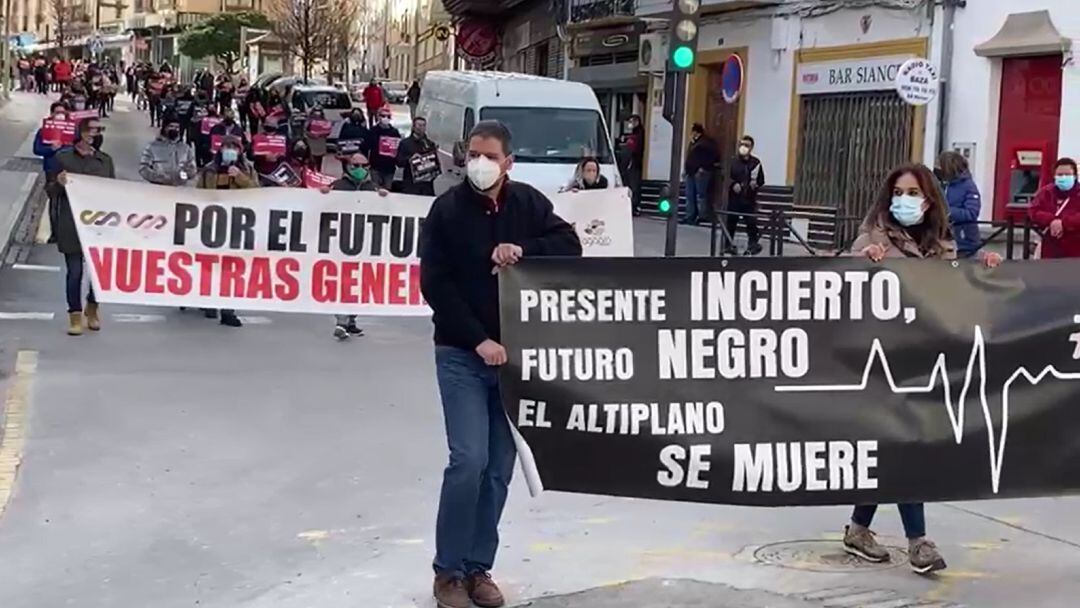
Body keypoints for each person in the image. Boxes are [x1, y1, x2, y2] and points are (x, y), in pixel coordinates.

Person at [421, 120, 582, 608]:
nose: (479, 164)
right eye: (473, 154)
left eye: (489, 156)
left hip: (513, 361)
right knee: (468, 460)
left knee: (497, 469)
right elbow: (435, 285)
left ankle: (477, 568)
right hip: (461, 354)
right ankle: (447, 571)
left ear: (508, 162)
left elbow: (570, 246)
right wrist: (478, 340)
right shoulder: (446, 211)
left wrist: (524, 249)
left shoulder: (529, 204)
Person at [844, 163, 1001, 576]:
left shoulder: (942, 245)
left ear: (929, 199)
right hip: (880, 362)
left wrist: (986, 267)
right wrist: (863, 259)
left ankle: (859, 528)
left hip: (922, 360)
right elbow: (839, 274)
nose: (905, 200)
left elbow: (958, 287)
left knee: (894, 447)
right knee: (905, 443)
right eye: (899, 192)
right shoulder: (873, 234)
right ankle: (918, 542)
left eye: (914, 193)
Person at [50, 118, 116, 336]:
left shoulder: (105, 161)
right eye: (90, 130)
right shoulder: (63, 158)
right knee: (75, 272)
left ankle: (92, 307)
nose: (94, 135)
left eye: (98, 131)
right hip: (71, 222)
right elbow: (50, 191)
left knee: (98, 273)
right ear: (80, 133)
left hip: (98, 223)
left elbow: (114, 192)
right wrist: (58, 183)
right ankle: (75, 316)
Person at [318, 153, 389, 340]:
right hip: (341, 243)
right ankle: (341, 321)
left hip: (363, 243)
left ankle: (351, 320)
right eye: (355, 165)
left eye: (363, 165)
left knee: (359, 282)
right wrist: (322, 195)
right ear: (348, 167)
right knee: (343, 281)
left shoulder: (373, 188)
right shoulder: (338, 186)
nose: (359, 169)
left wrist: (385, 198)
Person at [195, 136, 257, 328]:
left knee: (231, 269)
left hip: (237, 224)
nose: (230, 150)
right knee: (210, 266)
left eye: (234, 147)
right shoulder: (209, 169)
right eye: (226, 146)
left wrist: (238, 176)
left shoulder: (248, 169)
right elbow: (198, 193)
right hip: (212, 224)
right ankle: (209, 301)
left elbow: (256, 191)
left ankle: (228, 310)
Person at [1029, 157, 1080, 259]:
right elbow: (1034, 210)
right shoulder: (1046, 192)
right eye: (1060, 175)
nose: (1063, 177)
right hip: (1050, 248)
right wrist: (1051, 220)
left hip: (1075, 249)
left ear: (1075, 176)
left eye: (1067, 174)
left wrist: (1064, 223)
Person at [936, 151, 982, 258]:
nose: (937, 169)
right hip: (941, 241)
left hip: (964, 242)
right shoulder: (940, 185)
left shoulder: (968, 186)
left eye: (939, 165)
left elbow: (971, 213)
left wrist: (946, 211)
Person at [727, 135, 765, 256]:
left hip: (749, 198)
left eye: (747, 145)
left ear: (751, 147)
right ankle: (728, 245)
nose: (744, 147)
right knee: (731, 222)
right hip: (734, 198)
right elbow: (725, 177)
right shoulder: (732, 161)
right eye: (742, 144)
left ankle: (753, 245)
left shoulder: (755, 163)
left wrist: (755, 185)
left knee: (751, 223)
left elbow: (761, 180)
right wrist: (733, 184)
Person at [139, 114, 197, 186]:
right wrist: (159, 177)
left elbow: (192, 168)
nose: (174, 129)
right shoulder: (152, 147)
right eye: (171, 126)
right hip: (157, 189)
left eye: (177, 127)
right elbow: (143, 168)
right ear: (165, 128)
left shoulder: (185, 148)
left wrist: (183, 176)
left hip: (179, 190)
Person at [682, 123, 719, 226]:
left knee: (700, 195)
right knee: (690, 195)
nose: (691, 134)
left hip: (701, 173)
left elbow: (711, 157)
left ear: (696, 132)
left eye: (692, 132)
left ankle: (702, 216)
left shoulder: (706, 143)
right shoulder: (694, 143)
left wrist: (703, 168)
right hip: (691, 172)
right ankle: (690, 216)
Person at [396, 116, 440, 195]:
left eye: (424, 125)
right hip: (411, 184)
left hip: (426, 185)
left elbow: (435, 164)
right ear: (414, 127)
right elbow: (399, 162)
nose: (422, 128)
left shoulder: (429, 144)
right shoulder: (405, 143)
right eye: (419, 125)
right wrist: (410, 159)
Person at [369, 107, 401, 189]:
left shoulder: (394, 132)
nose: (385, 118)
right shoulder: (373, 131)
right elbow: (369, 145)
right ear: (378, 116)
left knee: (388, 190)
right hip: (376, 166)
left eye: (388, 116)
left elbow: (398, 147)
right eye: (383, 116)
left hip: (389, 167)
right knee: (375, 190)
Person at [333, 107, 370, 172]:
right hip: (350, 156)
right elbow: (341, 140)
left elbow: (367, 143)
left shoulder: (363, 129)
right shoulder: (347, 126)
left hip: (357, 157)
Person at [621, 114, 645, 215]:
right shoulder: (633, 134)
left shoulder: (639, 134)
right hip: (630, 163)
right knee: (631, 184)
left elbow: (636, 148)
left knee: (634, 185)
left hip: (634, 163)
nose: (631, 124)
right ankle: (631, 205)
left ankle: (635, 206)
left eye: (633, 122)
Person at [303, 107, 330, 172]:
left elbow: (328, 131)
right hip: (312, 145)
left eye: (319, 111)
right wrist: (312, 135)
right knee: (311, 162)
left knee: (319, 162)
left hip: (320, 145)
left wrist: (322, 134)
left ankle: (318, 173)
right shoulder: (309, 121)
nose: (317, 114)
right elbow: (305, 131)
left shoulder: (325, 121)